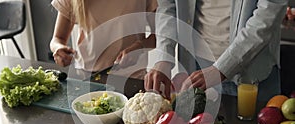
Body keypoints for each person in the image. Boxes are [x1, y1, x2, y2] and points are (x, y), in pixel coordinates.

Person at [144, 0, 288, 101]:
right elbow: (168, 5)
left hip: (252, 72)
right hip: (195, 66)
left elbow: (269, 13)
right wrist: (164, 55)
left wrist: (223, 68)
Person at [50, 0, 157, 79]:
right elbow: (57, 39)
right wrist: (58, 49)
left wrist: (139, 47)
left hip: (131, 78)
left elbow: (158, 36)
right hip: (86, 76)